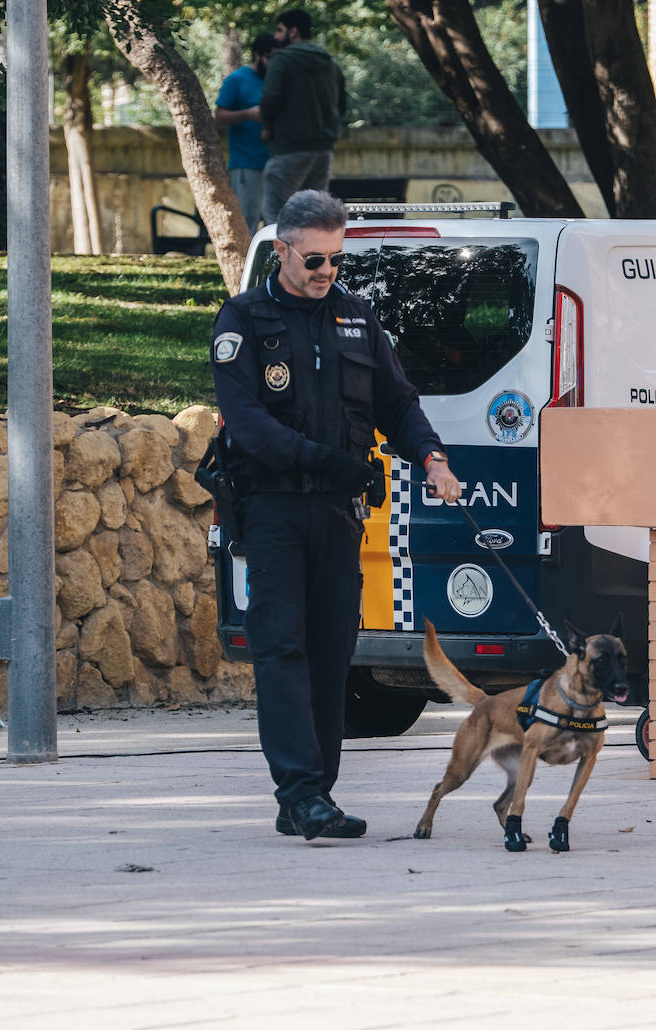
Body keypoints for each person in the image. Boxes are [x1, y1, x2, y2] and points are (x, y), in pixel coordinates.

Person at [209, 190, 462, 841]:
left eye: (337, 260)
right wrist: (331, 463)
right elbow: (248, 425)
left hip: (338, 514)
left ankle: (311, 794)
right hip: (271, 511)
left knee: (331, 653)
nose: (327, 272)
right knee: (282, 647)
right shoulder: (244, 320)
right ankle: (299, 788)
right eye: (315, 259)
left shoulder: (355, 319)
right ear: (284, 251)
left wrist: (431, 460)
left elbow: (397, 405)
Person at [258, 8, 346, 226]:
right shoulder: (329, 63)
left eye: (279, 31)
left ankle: (280, 260)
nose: (276, 37)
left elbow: (270, 100)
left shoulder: (282, 59)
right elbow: (342, 104)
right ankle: (314, 258)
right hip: (323, 150)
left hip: (289, 148)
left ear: (293, 31)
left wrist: (267, 126)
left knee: (276, 215)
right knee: (315, 215)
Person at [215, 32, 277, 230]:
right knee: (247, 221)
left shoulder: (277, 79)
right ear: (258, 55)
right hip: (246, 163)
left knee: (275, 223)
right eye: (270, 58)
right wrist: (248, 114)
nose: (273, 64)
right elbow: (219, 116)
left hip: (276, 162)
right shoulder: (237, 79)